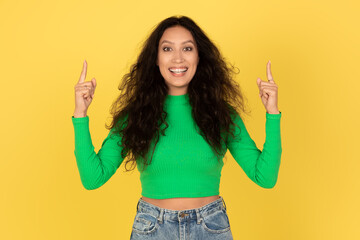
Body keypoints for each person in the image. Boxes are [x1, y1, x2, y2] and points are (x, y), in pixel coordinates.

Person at [72, 15, 282, 240]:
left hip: (210, 227)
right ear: (156, 58)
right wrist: (80, 114)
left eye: (188, 48)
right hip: (152, 228)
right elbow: (93, 179)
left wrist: (272, 113)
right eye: (167, 49)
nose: (178, 59)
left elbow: (265, 177)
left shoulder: (221, 114)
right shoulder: (135, 115)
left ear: (199, 56)